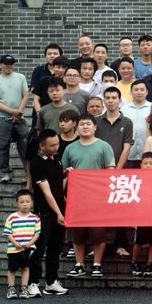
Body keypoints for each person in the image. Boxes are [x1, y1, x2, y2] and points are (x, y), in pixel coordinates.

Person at [62, 113, 115, 278]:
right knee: (77, 234)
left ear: (95, 127)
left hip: (97, 197)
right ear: (77, 128)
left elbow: (110, 170)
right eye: (82, 124)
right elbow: (63, 172)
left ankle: (97, 264)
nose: (85, 127)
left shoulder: (104, 146)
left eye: (88, 124)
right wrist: (65, 177)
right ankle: (79, 264)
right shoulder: (70, 148)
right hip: (77, 198)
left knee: (98, 233)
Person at [27, 129, 68, 296]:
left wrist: (66, 173)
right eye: (52, 145)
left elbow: (56, 181)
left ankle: (51, 282)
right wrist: (58, 213)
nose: (56, 147)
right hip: (44, 212)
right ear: (41, 145)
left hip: (60, 210)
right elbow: (47, 192)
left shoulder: (56, 159)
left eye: (57, 144)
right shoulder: (37, 163)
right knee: (39, 248)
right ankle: (32, 283)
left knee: (55, 248)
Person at [0, 54, 31, 184]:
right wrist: (12, 112)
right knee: (2, 146)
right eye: (6, 63)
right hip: (2, 118)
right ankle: (5, 172)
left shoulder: (20, 77)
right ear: (0, 64)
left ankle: (28, 173)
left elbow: (26, 95)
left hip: (19, 117)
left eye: (11, 63)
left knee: (26, 145)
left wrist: (18, 112)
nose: (8, 66)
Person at [3, 189, 40, 299]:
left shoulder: (35, 218)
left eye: (27, 201)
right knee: (12, 268)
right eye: (22, 202)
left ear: (32, 202)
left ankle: (24, 288)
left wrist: (30, 243)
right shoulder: (12, 217)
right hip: (13, 248)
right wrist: (15, 243)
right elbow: (7, 232)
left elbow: (37, 233)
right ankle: (11, 288)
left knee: (25, 268)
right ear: (17, 203)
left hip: (27, 248)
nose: (25, 204)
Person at [129, 152, 152, 277]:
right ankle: (133, 262)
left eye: (151, 163)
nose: (148, 166)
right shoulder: (136, 179)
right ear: (141, 165)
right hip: (141, 215)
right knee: (139, 241)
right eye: (145, 163)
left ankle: (149, 264)